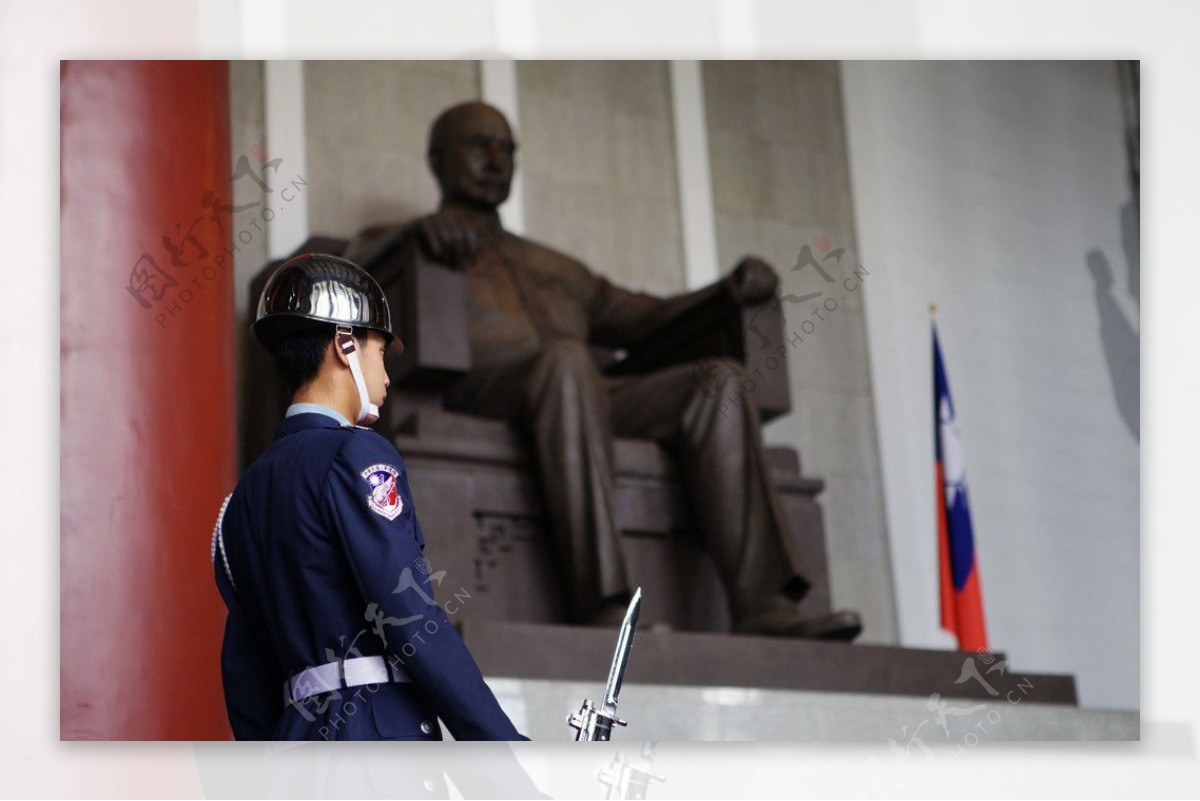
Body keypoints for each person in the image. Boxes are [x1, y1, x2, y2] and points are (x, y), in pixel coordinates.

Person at [346, 101, 862, 640]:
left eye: (507, 149)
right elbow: (356, 276)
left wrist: (727, 291)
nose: (497, 159)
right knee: (567, 362)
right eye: (480, 145)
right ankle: (606, 602)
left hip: (582, 393)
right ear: (437, 158)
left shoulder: (558, 267)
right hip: (482, 392)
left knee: (718, 380)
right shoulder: (405, 238)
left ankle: (766, 606)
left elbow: (646, 320)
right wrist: (419, 235)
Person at [213, 252, 527, 740]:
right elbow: (410, 616)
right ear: (345, 345)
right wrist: (504, 753)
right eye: (380, 352)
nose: (386, 378)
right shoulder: (356, 455)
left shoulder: (239, 502)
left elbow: (244, 674)